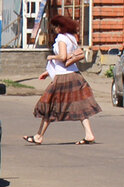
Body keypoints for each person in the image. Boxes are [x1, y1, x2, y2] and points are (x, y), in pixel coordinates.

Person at [25, 14, 100, 145]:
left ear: (60, 27)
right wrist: (47, 72)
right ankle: (89, 134)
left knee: (50, 105)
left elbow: (63, 57)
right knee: (80, 105)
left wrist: (51, 57)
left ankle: (39, 136)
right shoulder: (71, 37)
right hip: (75, 75)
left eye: (55, 26)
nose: (54, 29)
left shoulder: (61, 38)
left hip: (63, 78)